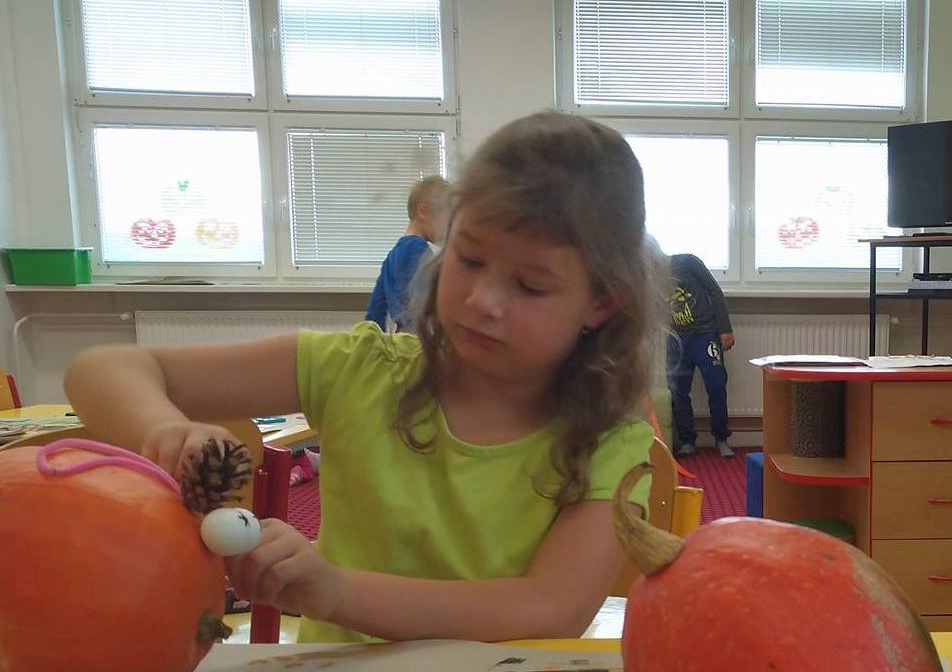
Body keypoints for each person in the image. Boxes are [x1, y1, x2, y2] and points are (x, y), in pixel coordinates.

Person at [67, 112, 660, 645]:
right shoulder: (361, 368)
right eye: (469, 258)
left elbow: (549, 610)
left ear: (601, 302)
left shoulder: (610, 437)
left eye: (530, 286)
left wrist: (335, 591)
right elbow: (101, 369)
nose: (482, 300)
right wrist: (164, 430)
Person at [667, 251, 735, 458]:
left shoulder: (687, 262)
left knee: (716, 385)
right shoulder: (648, 277)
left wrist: (725, 329)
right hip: (676, 339)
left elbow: (715, 291)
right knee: (677, 390)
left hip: (705, 334)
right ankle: (687, 440)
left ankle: (721, 438)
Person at [366, 174, 453, 331]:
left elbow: (375, 313)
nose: (448, 229)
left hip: (402, 339)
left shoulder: (391, 257)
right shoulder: (417, 250)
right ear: (423, 211)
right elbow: (421, 304)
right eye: (446, 220)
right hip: (419, 337)